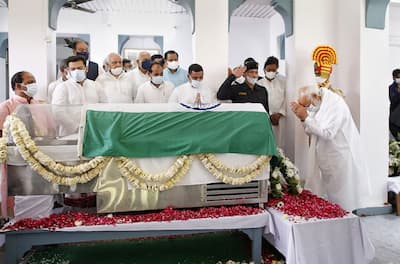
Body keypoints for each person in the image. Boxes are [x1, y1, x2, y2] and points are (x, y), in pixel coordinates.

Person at [0, 71, 54, 220]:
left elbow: (51, 130)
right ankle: (19, 226)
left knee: (43, 195)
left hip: (42, 159)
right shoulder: (6, 107)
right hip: (18, 164)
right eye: (30, 82)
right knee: (20, 198)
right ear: (18, 85)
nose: (34, 85)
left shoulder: (41, 106)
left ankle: (45, 226)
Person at [52, 55, 100, 136]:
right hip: (70, 133)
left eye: (80, 68)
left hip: (94, 130)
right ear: (68, 70)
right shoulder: (62, 87)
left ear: (86, 68)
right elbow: (57, 111)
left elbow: (103, 105)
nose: (77, 71)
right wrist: (76, 128)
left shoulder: (96, 85)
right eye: (73, 69)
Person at [258, 56, 286, 147]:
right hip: (265, 118)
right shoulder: (259, 84)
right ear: (264, 69)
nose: (271, 72)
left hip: (281, 118)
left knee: (280, 143)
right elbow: (259, 102)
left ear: (277, 69)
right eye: (269, 69)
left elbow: (287, 98)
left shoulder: (283, 81)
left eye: (273, 70)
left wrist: (280, 113)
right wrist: (269, 115)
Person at [389, 69, 400, 140]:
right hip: (395, 120)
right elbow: (393, 101)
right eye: (398, 77)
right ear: (394, 78)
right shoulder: (391, 88)